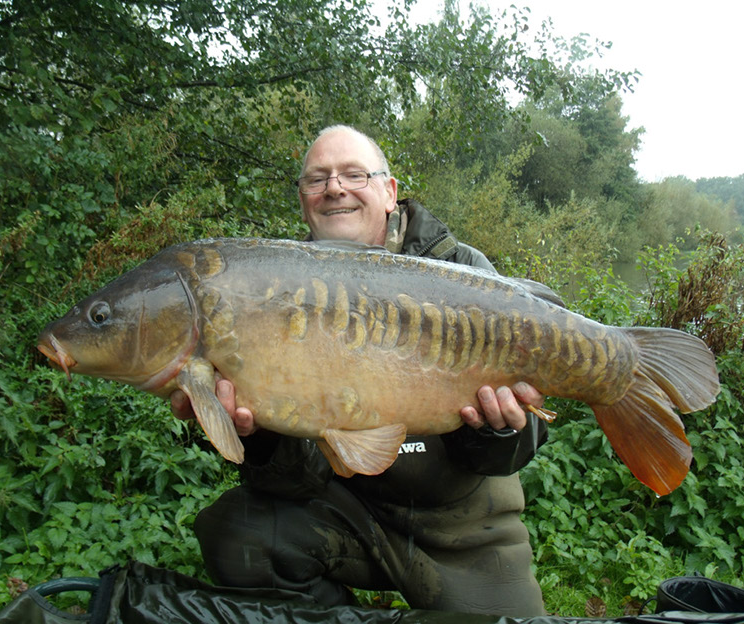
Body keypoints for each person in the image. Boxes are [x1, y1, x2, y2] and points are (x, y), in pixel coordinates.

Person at [171, 125, 549, 616]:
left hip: (463, 528)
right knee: (237, 533)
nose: (334, 188)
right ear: (303, 199)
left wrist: (494, 431)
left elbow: (521, 446)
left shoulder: (462, 270)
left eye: (354, 174)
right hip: (344, 513)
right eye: (317, 179)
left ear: (390, 192)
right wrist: (260, 436)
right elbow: (292, 482)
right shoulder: (273, 292)